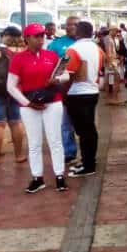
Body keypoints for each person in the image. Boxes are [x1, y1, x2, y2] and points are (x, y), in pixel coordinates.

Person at [7, 23, 67, 193]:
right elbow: (10, 86)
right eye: (37, 36)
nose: (41, 39)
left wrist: (57, 80)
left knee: (55, 140)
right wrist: (27, 103)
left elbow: (66, 74)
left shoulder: (51, 55)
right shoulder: (19, 59)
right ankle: (37, 177)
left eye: (42, 36)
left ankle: (60, 175)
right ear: (27, 38)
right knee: (34, 142)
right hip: (30, 104)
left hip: (52, 101)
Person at [64, 21, 103, 178]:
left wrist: (63, 91)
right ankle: (88, 160)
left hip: (76, 94)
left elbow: (69, 73)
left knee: (83, 131)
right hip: (92, 92)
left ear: (78, 32)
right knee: (89, 129)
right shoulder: (97, 49)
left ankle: (88, 165)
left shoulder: (73, 49)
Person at [0, 27, 27, 166]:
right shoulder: (24, 51)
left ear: (5, 36)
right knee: (16, 122)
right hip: (17, 90)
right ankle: (19, 155)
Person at [49, 16, 80, 166]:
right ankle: (69, 151)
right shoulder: (57, 44)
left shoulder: (86, 43)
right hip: (64, 88)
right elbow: (50, 65)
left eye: (74, 24)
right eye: (68, 25)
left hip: (83, 89)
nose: (70, 27)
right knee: (65, 122)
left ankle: (86, 152)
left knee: (83, 123)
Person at [102, 26, 120, 104]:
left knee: (107, 77)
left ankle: (109, 97)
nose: (117, 33)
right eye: (116, 31)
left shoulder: (108, 38)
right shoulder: (109, 39)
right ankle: (114, 98)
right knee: (116, 78)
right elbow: (108, 51)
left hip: (110, 61)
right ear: (112, 30)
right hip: (111, 61)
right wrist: (111, 63)